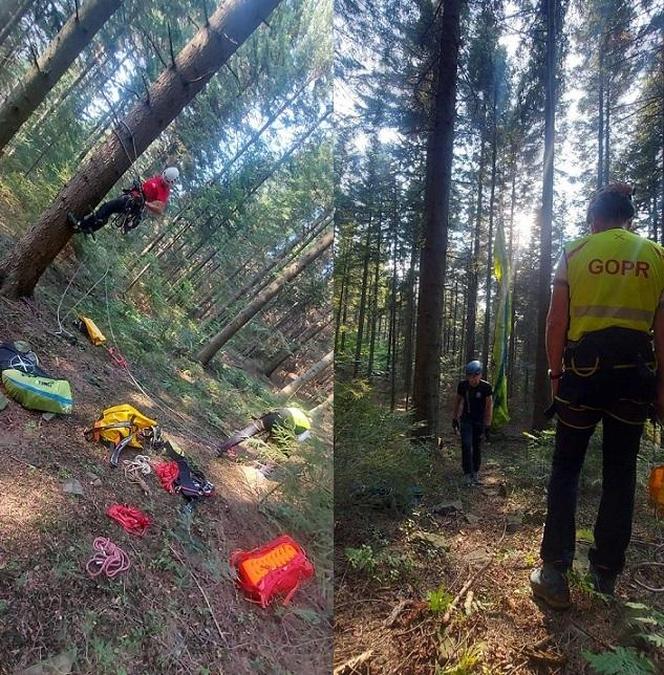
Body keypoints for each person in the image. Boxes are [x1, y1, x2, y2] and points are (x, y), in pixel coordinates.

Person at [530, 183, 664, 610]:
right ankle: (605, 574)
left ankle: (554, 572)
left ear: (595, 218)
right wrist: (661, 388)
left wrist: (556, 374)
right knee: (620, 474)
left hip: (582, 378)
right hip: (634, 380)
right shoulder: (657, 256)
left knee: (566, 469)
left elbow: (556, 321)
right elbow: (663, 331)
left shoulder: (575, 251)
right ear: (628, 218)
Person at [68, 166, 179, 234]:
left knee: (107, 207)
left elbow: (159, 209)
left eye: (167, 181)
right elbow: (149, 188)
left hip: (134, 204)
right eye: (164, 179)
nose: (163, 181)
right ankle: (90, 226)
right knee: (108, 209)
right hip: (132, 196)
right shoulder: (159, 177)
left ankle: (81, 225)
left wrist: (145, 203)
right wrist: (139, 185)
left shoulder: (165, 192)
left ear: (172, 182)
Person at [452, 360, 493, 487]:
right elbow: (457, 402)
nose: (472, 378)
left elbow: (489, 406)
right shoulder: (463, 386)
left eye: (475, 375)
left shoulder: (486, 387)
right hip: (466, 419)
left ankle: (475, 471)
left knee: (476, 446)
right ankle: (467, 472)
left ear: (480, 375)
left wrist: (487, 425)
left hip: (479, 421)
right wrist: (454, 419)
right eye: (470, 375)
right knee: (466, 444)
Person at [218, 407, 311, 457]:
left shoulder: (297, 412)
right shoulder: (306, 429)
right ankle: (262, 468)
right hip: (281, 426)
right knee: (275, 449)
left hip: (272, 416)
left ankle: (223, 447)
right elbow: (294, 441)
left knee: (246, 433)